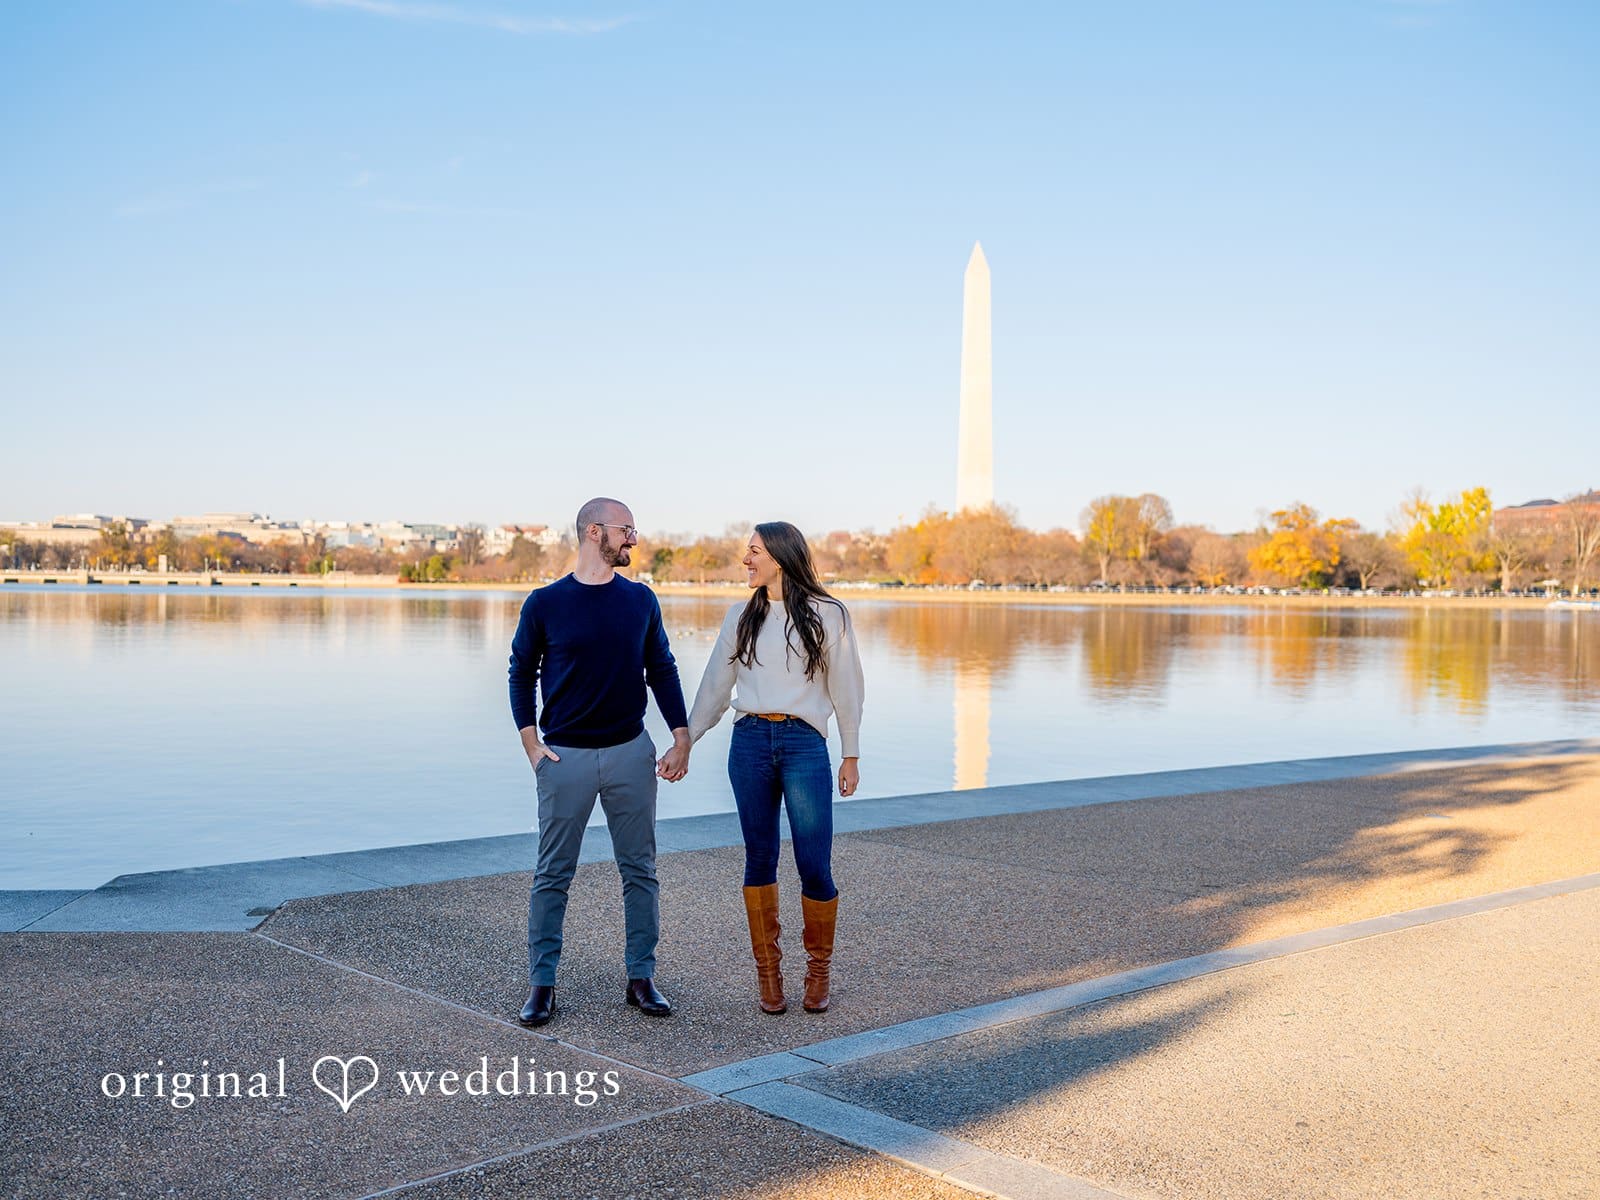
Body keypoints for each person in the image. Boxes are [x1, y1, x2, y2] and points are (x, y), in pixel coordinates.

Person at [507, 497, 691, 1027]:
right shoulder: (545, 603)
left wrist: (680, 736)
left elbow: (662, 668)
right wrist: (531, 743)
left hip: (631, 753)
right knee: (552, 873)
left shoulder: (640, 599)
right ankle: (542, 984)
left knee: (640, 870)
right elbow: (520, 672)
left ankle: (641, 978)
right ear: (594, 532)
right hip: (564, 757)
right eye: (626, 529)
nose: (634, 538)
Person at [686, 521, 864, 1015]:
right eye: (747, 551)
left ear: (781, 558)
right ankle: (769, 974)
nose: (746, 560)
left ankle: (818, 971)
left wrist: (850, 753)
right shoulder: (740, 615)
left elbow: (847, 687)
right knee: (759, 859)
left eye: (754, 552)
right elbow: (714, 687)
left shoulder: (829, 614)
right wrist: (687, 740)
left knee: (814, 863)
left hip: (804, 744)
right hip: (749, 743)